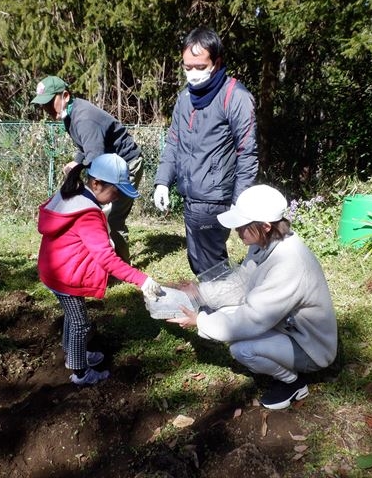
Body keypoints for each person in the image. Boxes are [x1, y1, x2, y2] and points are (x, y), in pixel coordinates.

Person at [166, 185, 338, 409]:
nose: (237, 230)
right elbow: (241, 284)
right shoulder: (264, 244)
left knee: (241, 349)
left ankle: (293, 382)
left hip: (311, 347)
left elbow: (253, 318)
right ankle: (283, 368)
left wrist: (200, 321)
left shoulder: (289, 263)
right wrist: (199, 293)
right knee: (224, 315)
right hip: (286, 326)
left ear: (265, 226)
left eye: (242, 225)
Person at [37, 153, 162, 386]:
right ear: (96, 183)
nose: (118, 197)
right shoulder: (87, 214)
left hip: (54, 269)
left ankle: (74, 352)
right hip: (64, 275)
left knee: (74, 316)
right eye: (116, 191)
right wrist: (141, 279)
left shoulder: (74, 193)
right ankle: (80, 372)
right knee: (80, 323)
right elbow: (106, 258)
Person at [153, 27, 259, 276]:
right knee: (199, 261)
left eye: (200, 67)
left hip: (215, 200)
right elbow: (173, 143)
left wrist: (239, 200)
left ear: (217, 62)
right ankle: (220, 307)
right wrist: (162, 181)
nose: (193, 74)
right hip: (191, 196)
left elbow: (247, 152)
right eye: (187, 67)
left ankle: (224, 311)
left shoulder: (235, 97)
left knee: (210, 266)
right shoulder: (185, 99)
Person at [31, 75, 143, 264]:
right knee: (98, 215)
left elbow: (96, 160)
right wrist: (77, 161)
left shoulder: (84, 118)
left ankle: (122, 266)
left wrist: (82, 179)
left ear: (65, 95)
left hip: (125, 165)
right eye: (43, 105)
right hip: (107, 164)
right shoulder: (69, 116)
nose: (46, 109)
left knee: (112, 217)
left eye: (50, 103)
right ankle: (99, 260)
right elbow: (85, 147)